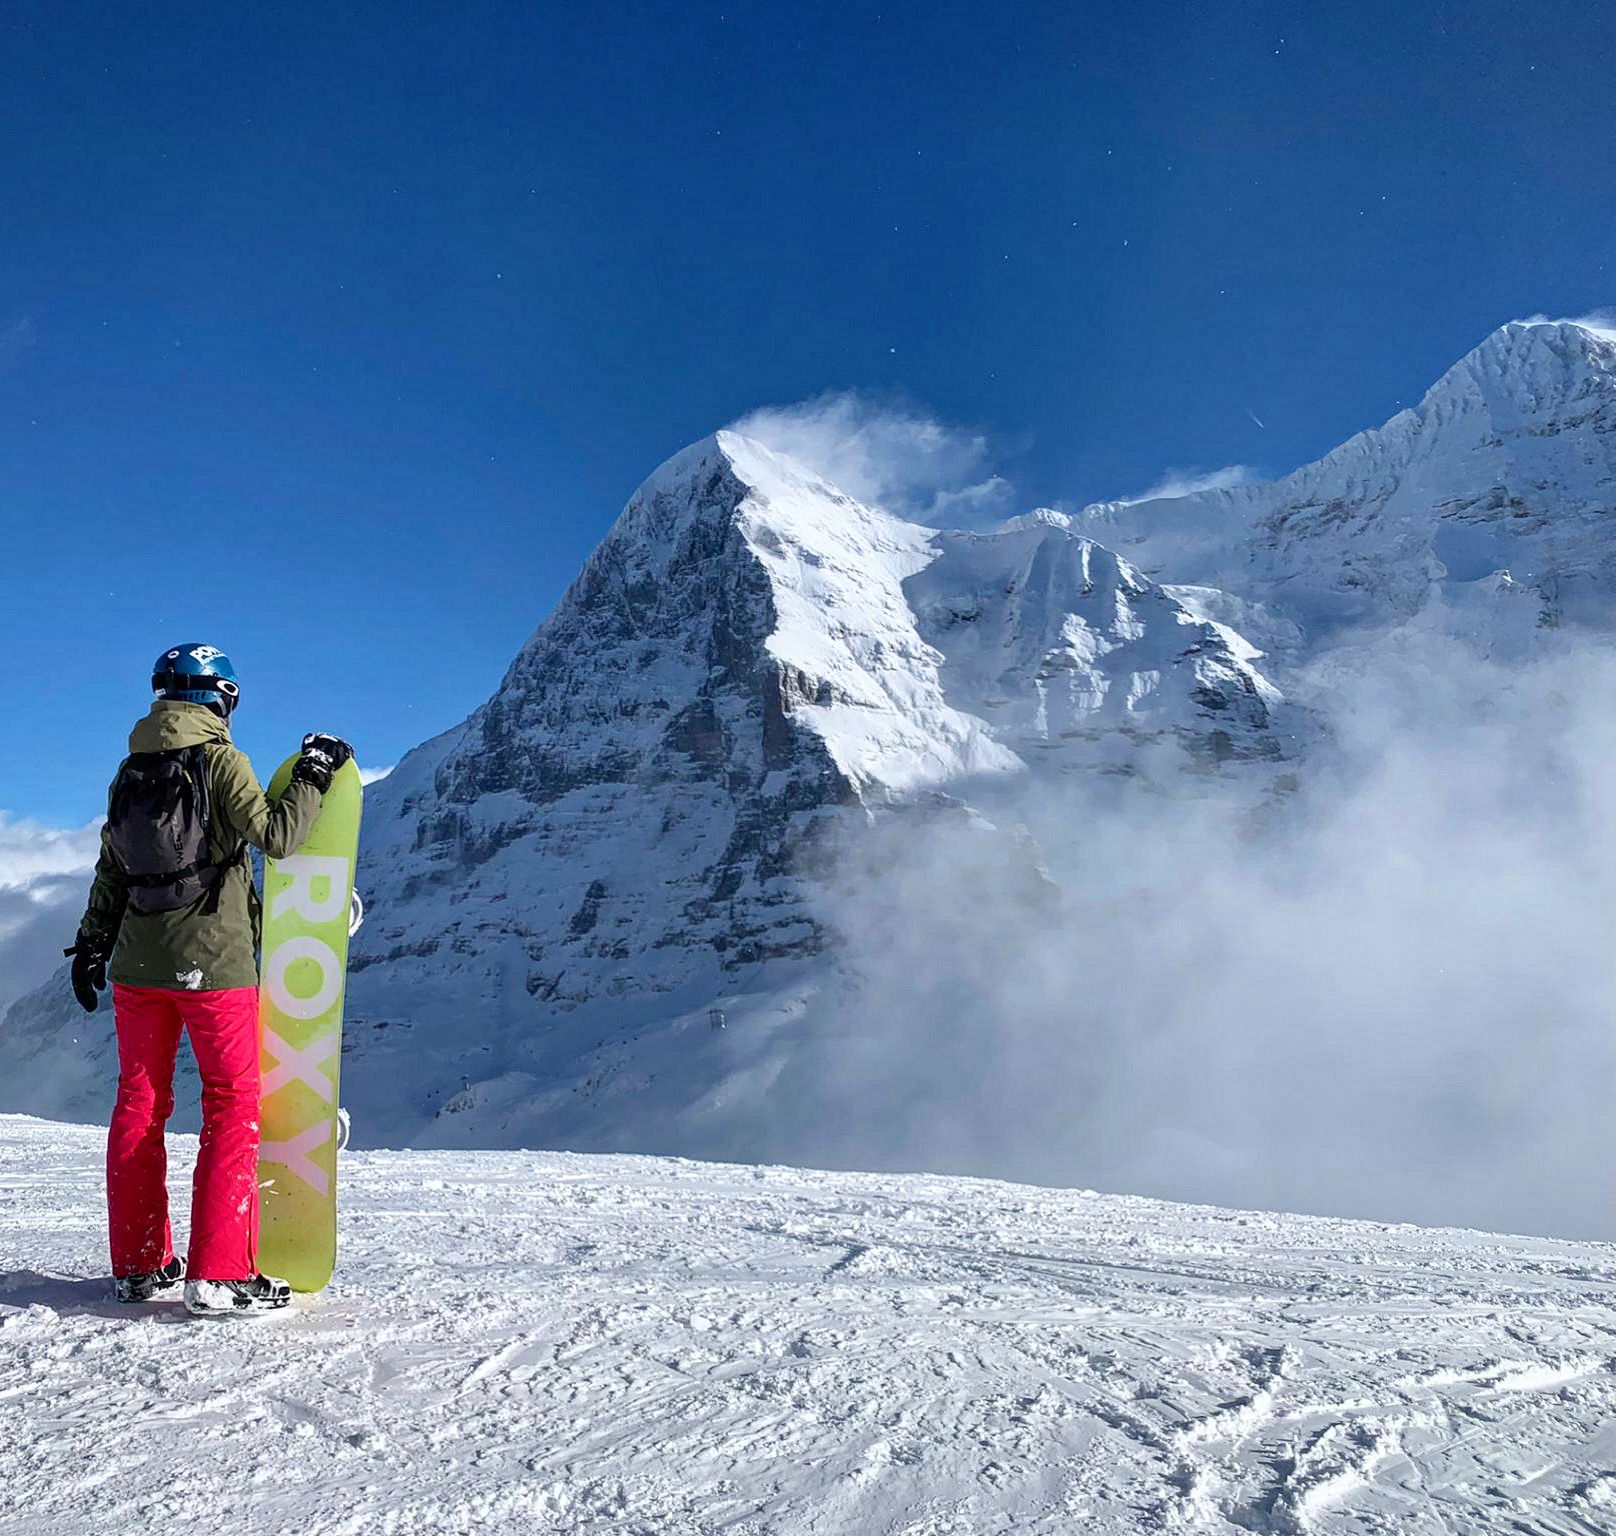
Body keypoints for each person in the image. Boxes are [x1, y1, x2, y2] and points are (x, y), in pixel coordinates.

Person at [67, 644, 352, 1317]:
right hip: (214, 967)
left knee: (139, 1104)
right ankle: (220, 1273)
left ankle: (139, 1267)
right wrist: (314, 771)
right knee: (231, 1104)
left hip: (137, 967)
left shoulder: (130, 770)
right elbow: (278, 837)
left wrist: (91, 944)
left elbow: (112, 869)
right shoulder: (222, 761)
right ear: (219, 696)